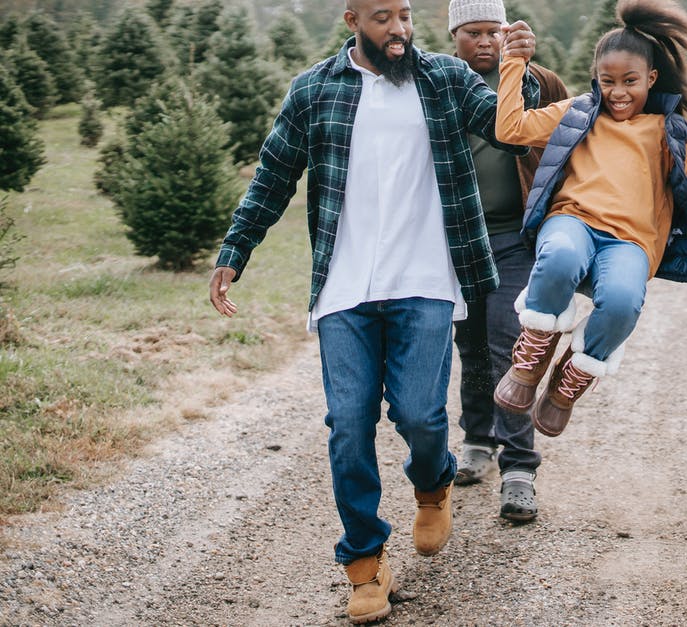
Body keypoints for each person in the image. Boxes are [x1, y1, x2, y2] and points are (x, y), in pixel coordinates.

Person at [206, 0, 539, 623]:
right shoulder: (314, 89)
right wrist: (235, 249)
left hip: (425, 281)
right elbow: (273, 174)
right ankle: (364, 564)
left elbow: (507, 128)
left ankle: (433, 479)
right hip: (345, 289)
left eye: (406, 15)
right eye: (383, 17)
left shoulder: (442, 77)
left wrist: (518, 66)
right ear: (352, 19)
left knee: (418, 414)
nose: (400, 29)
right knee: (349, 427)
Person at [491, 0, 687, 438]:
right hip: (573, 220)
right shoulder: (578, 112)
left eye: (630, 82)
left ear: (652, 78)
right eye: (608, 82)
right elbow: (510, 129)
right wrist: (514, 62)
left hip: (631, 243)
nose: (619, 93)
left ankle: (569, 381)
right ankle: (532, 355)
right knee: (561, 257)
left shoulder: (668, 129)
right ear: (595, 79)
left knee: (624, 301)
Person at [444, 0, 569, 523]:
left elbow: (558, 136)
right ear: (454, 35)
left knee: (510, 348)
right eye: (472, 32)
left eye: (493, 32)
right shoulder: (442, 83)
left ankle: (519, 467)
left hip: (516, 240)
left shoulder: (534, 81)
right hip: (457, 241)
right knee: (469, 344)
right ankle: (477, 438)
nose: (485, 42)